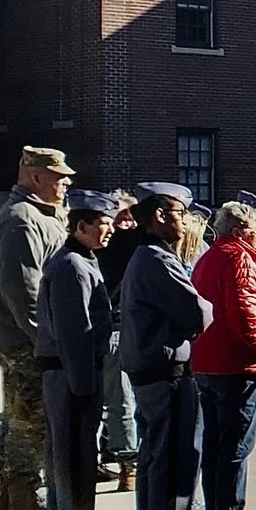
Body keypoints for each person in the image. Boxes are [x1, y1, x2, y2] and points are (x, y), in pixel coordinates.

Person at [119, 181, 217, 510]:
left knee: (164, 456)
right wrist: (204, 309)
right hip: (165, 373)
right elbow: (198, 313)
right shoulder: (156, 259)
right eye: (179, 214)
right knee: (170, 459)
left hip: (160, 370)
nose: (185, 222)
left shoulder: (152, 257)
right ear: (158, 217)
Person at [0, 147, 75, 510]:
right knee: (31, 422)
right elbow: (23, 291)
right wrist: (48, 341)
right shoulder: (22, 220)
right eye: (58, 176)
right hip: (28, 341)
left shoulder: (38, 215)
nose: (65, 182)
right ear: (35, 176)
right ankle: (23, 506)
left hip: (26, 338)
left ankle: (12, 506)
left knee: (19, 419)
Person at [35, 190, 125, 510]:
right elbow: (75, 333)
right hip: (72, 373)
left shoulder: (81, 260)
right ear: (81, 226)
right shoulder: (72, 266)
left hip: (69, 372)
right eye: (103, 225)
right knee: (75, 455)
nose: (109, 232)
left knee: (67, 455)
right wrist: (85, 385)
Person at [191, 201, 256, 510]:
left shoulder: (209, 256)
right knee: (235, 444)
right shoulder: (237, 257)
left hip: (208, 360)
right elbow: (245, 315)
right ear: (242, 230)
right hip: (234, 363)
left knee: (215, 442)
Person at [94, 192, 145, 488]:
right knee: (122, 401)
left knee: (106, 402)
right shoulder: (121, 245)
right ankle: (129, 466)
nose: (126, 224)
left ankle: (104, 459)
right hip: (115, 329)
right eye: (120, 217)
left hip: (107, 329)